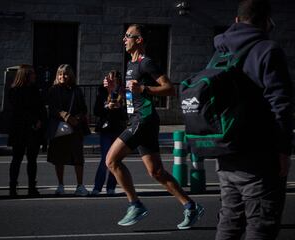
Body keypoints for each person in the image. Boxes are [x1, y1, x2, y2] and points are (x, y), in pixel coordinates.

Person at [104, 24, 204, 228]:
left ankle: (135, 204)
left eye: (127, 36)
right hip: (138, 119)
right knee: (156, 172)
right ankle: (191, 206)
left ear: (138, 40)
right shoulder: (131, 65)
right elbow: (134, 95)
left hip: (144, 119)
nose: (124, 39)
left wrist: (144, 88)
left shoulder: (146, 62)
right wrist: (118, 93)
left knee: (111, 160)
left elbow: (169, 89)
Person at [213, 1, 293, 239]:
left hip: (225, 151)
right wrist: (283, 151)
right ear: (267, 21)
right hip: (258, 155)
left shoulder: (221, 50)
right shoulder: (268, 50)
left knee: (229, 221)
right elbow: (280, 104)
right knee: (260, 225)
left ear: (237, 21)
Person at [47, 64, 90, 196]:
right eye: (60, 74)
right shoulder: (53, 90)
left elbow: (84, 108)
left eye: (65, 74)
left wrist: (77, 117)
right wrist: (66, 116)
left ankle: (80, 186)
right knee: (58, 157)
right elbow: (52, 108)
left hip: (75, 128)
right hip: (58, 128)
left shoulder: (76, 90)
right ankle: (60, 185)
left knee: (78, 157)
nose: (62, 76)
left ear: (70, 75)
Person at [7, 64, 47, 197]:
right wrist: (33, 121)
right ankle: (12, 187)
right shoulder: (14, 91)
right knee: (17, 159)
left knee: (32, 160)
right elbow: (17, 111)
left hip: (34, 130)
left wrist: (40, 121)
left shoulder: (35, 89)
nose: (35, 76)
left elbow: (41, 108)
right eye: (32, 73)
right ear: (25, 75)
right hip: (20, 129)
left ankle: (31, 187)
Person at [91, 70, 127, 196]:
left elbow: (130, 112)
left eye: (115, 79)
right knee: (105, 159)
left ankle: (111, 187)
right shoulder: (102, 92)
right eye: (110, 79)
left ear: (119, 80)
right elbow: (96, 111)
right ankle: (97, 187)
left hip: (119, 130)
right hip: (106, 130)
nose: (112, 82)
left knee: (115, 160)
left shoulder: (125, 92)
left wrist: (120, 107)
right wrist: (107, 107)